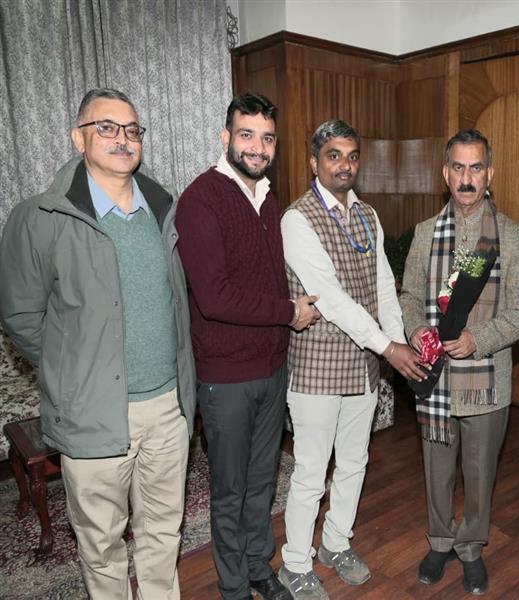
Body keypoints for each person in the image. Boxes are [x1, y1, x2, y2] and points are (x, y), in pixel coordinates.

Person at [0, 88, 196, 598]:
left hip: (168, 408)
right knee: (102, 543)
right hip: (92, 414)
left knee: (162, 532)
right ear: (78, 137)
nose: (122, 139)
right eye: (105, 127)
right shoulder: (41, 217)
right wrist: (73, 370)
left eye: (132, 130)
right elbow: (21, 316)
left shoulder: (164, 208)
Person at [277, 119, 427, 600]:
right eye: (333, 155)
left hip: (364, 366)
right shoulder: (296, 219)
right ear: (313, 162)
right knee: (310, 473)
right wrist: (389, 348)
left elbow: (383, 285)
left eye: (351, 156)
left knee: (354, 463)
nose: (344, 165)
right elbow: (331, 298)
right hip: (318, 369)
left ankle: (336, 543)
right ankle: (295, 564)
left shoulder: (367, 215)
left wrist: (398, 343)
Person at [176, 93, 317, 600]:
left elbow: (268, 277)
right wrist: (288, 312)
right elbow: (214, 297)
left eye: (267, 138)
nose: (257, 147)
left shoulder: (269, 199)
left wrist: (290, 309)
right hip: (225, 378)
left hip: (271, 369)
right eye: (247, 135)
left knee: (263, 482)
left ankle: (258, 567)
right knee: (230, 490)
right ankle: (234, 586)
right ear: (225, 137)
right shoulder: (201, 200)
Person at [399, 129, 519, 595]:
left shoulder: (509, 236)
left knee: (479, 476)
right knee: (436, 471)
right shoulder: (425, 233)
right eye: (458, 167)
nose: (466, 177)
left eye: (475, 167)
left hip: (486, 379)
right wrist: (415, 330)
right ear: (445, 173)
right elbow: (409, 296)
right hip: (434, 378)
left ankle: (472, 547)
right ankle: (440, 541)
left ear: (489, 173)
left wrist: (478, 338)